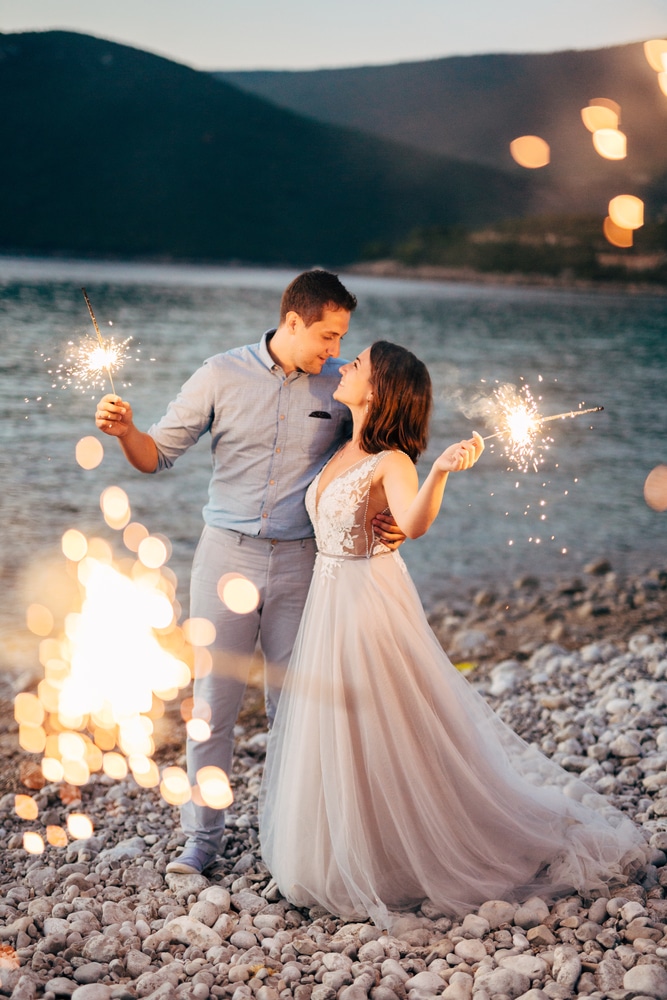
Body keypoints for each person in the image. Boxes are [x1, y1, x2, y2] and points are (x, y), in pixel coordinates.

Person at [259, 340, 648, 930]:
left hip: (366, 602)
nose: (344, 366)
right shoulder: (341, 447)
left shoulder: (392, 458)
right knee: (335, 728)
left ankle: (406, 851)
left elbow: (411, 524)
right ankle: (344, 844)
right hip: (328, 600)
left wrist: (439, 469)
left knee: (381, 723)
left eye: (357, 363)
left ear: (380, 387)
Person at [94, 270, 402, 875]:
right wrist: (126, 430)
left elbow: (380, 455)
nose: (336, 349)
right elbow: (156, 457)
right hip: (224, 555)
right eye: (327, 335)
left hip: (303, 562)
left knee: (297, 707)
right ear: (292, 321)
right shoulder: (219, 374)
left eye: (343, 338)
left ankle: (295, 840)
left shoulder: (341, 387)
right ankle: (202, 841)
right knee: (214, 706)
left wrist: (390, 514)